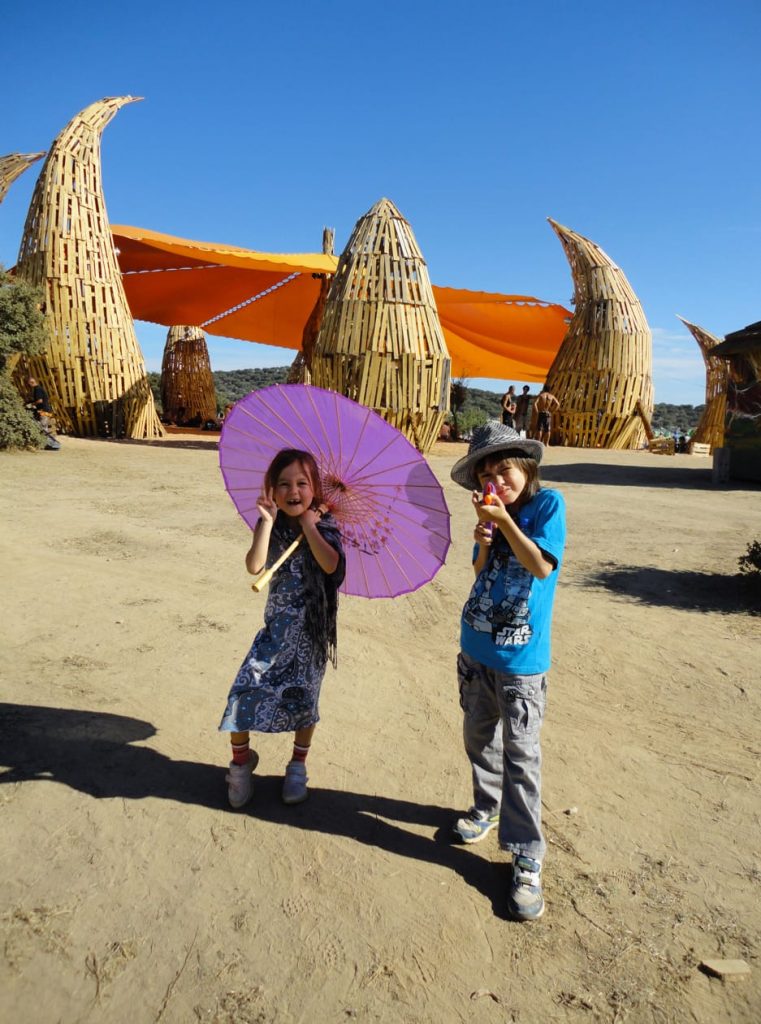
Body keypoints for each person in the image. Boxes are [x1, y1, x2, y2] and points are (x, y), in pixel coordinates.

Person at [449, 421, 566, 921]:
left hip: (521, 663)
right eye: (487, 476)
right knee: (479, 739)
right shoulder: (492, 513)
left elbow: (540, 566)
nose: (497, 481)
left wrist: (505, 523)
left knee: (522, 757)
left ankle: (526, 857)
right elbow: (480, 571)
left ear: (527, 467)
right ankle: (487, 807)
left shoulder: (547, 506)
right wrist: (482, 537)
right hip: (476, 650)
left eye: (506, 469)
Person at [219, 448, 345, 809]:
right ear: (272, 491)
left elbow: (331, 564)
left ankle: (297, 766)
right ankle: (241, 766)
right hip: (273, 637)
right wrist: (266, 521)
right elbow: (254, 564)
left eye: (302, 483)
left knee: (305, 705)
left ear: (315, 489)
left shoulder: (326, 526)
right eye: (284, 484)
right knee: (241, 696)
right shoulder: (271, 525)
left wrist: (309, 525)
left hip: (311, 641)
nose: (294, 491)